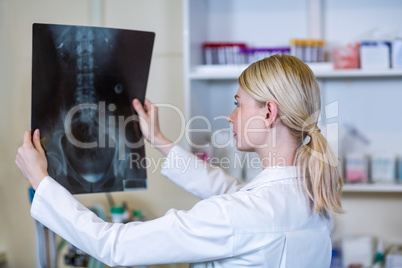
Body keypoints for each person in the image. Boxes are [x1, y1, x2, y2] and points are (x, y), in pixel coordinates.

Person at [16, 54, 343, 267]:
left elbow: (115, 246)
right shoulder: (313, 197)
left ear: (269, 112)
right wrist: (159, 140)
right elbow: (227, 188)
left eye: (238, 104)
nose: (230, 117)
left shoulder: (237, 216)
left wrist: (41, 182)